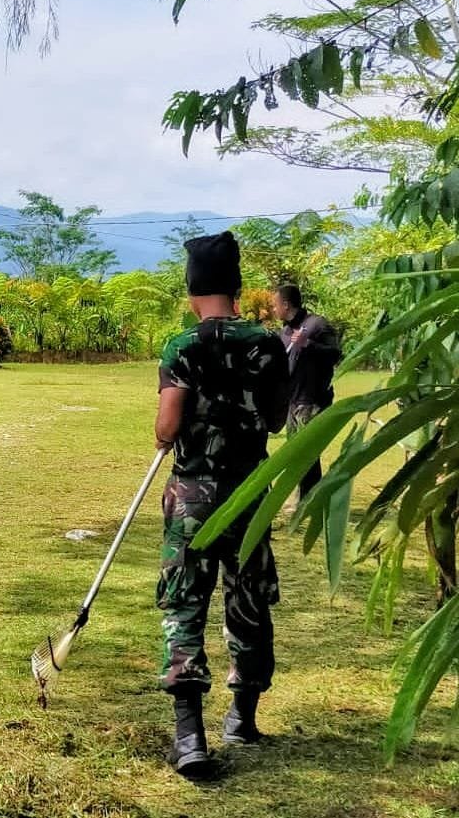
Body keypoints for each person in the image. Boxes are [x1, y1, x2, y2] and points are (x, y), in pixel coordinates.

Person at [154, 232, 289, 777]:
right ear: (236, 287)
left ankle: (189, 737)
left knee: (185, 603)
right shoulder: (267, 344)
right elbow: (276, 420)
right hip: (250, 494)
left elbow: (167, 427)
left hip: (193, 495)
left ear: (192, 292)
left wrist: (175, 430)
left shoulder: (182, 346)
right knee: (248, 599)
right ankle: (242, 717)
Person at [272, 284, 342, 504]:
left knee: (307, 453)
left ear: (285, 304)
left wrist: (308, 344)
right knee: (296, 453)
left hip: (312, 400)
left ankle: (308, 500)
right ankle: (305, 497)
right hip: (291, 402)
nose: (273, 309)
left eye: (275, 305)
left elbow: (335, 355)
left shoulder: (317, 325)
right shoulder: (284, 332)